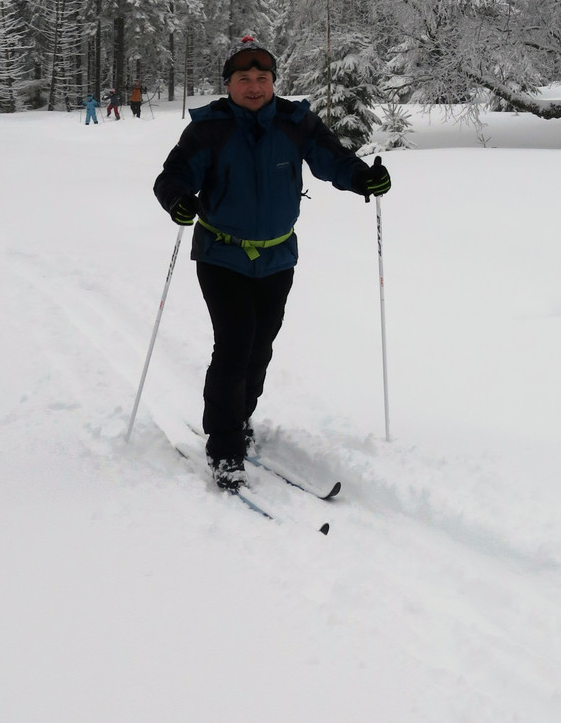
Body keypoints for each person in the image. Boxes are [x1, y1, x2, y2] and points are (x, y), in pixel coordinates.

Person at [152, 32, 391, 490]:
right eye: (244, 78)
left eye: (262, 78)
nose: (255, 86)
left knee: (260, 347)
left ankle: (239, 417)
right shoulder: (209, 128)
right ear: (228, 84)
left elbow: (334, 160)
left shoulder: (294, 122)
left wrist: (364, 178)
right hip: (222, 255)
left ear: (274, 82)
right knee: (235, 344)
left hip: (278, 257)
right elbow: (173, 175)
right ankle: (224, 446)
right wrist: (178, 200)